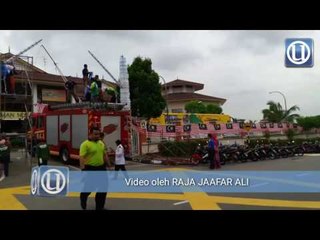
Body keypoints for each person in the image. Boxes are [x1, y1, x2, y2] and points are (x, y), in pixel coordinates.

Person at [79, 127, 112, 210]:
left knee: (103, 189)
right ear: (90, 134)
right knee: (90, 188)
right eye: (95, 134)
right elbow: (81, 158)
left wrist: (109, 165)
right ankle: (83, 197)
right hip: (90, 169)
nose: (97, 136)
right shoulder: (85, 144)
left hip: (101, 168)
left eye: (98, 134)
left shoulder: (101, 143)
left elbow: (104, 155)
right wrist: (83, 170)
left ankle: (99, 207)